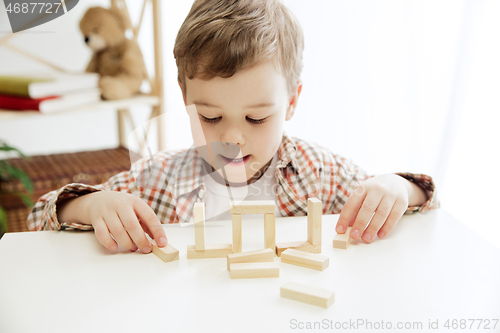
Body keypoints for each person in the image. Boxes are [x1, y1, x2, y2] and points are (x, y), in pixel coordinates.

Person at [27, 0, 439, 255]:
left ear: (291, 101)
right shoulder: (158, 179)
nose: (232, 138)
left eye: (257, 118)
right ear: (184, 97)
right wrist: (91, 205)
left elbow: (424, 203)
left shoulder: (321, 175)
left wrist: (398, 187)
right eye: (209, 116)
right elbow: (38, 217)